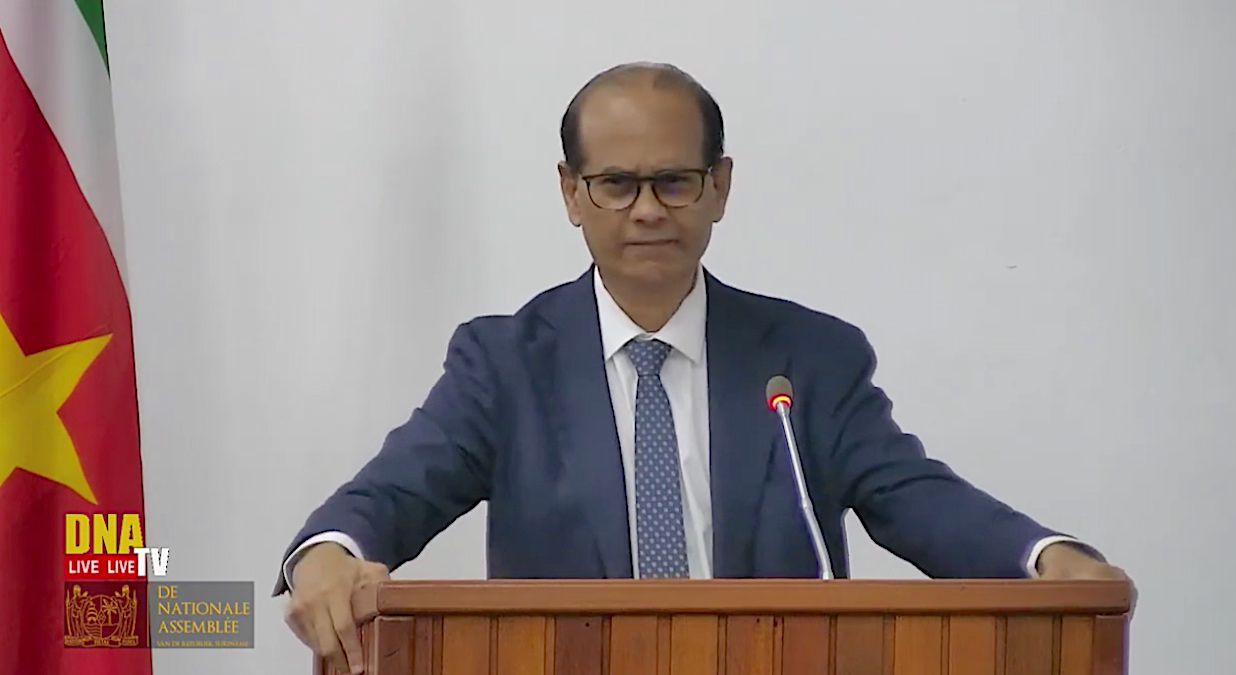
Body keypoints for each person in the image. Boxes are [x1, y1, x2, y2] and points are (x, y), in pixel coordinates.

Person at [277, 62, 1130, 674]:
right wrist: (329, 551)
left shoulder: (808, 360)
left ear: (719, 186)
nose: (647, 210)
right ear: (572, 193)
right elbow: (399, 487)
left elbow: (918, 498)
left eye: (675, 182)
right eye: (617, 184)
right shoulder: (505, 364)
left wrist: (1045, 557)